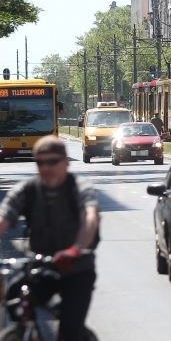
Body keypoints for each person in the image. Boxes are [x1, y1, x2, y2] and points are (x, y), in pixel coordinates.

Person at [0, 136, 100, 341]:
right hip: (40, 267)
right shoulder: (27, 190)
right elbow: (5, 216)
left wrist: (76, 249)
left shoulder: (78, 188)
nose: (46, 168)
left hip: (76, 268)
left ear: (66, 162)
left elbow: (90, 217)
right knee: (14, 300)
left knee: (71, 329)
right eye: (40, 162)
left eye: (52, 161)